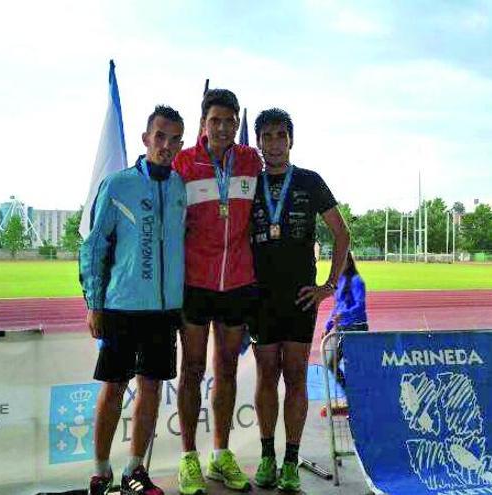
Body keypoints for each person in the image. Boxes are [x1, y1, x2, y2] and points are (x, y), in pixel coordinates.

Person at [79, 105, 187, 495]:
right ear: (146, 139)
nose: (166, 145)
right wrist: (94, 302)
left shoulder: (179, 187)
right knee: (113, 387)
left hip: (163, 311)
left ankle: (134, 471)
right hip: (121, 307)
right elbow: (92, 247)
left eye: (175, 139)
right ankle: (100, 471)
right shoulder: (118, 184)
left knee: (152, 389)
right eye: (160, 136)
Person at [248, 108, 350, 492]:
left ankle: (291, 460)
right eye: (267, 136)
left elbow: (342, 234)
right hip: (260, 298)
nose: (274, 143)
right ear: (258, 142)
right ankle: (266, 457)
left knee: (294, 376)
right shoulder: (248, 185)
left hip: (301, 297)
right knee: (265, 376)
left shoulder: (310, 181)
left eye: (281, 135)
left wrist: (329, 286)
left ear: (291, 140)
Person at [171, 89, 262, 494]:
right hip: (195, 282)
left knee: (225, 369)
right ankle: (189, 457)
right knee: (191, 370)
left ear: (238, 124)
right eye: (215, 121)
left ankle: (220, 454)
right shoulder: (184, 163)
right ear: (202, 122)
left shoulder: (250, 160)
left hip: (237, 282)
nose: (223, 128)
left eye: (231, 121)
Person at [324, 251, 368, 387]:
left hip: (355, 327)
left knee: (353, 364)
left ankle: (355, 394)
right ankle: (351, 392)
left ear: (348, 263)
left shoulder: (357, 281)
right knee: (333, 364)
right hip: (342, 328)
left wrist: (343, 314)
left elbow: (360, 305)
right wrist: (328, 326)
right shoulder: (340, 281)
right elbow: (338, 306)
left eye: (339, 262)